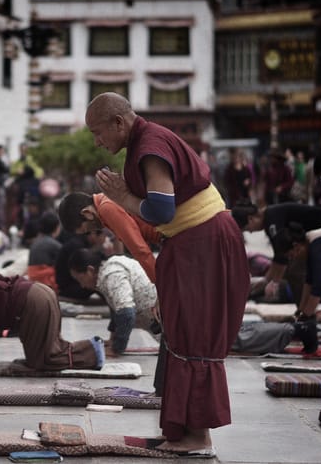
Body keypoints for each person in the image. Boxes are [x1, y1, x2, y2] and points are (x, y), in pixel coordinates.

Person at [85, 92, 249, 456]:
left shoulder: (150, 145)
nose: (97, 142)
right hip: (190, 243)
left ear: (118, 123)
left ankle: (197, 437)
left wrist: (123, 197)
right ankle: (182, 432)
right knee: (180, 332)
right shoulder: (144, 141)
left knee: (194, 334)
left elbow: (160, 209)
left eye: (98, 132)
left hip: (203, 243)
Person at [231, 201, 321, 303]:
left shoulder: (271, 221)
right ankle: (304, 312)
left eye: (247, 229)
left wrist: (273, 282)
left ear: (251, 219)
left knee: (296, 272)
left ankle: (306, 313)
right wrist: (267, 280)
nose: (250, 232)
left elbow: (282, 256)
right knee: (294, 270)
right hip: (317, 234)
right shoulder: (270, 220)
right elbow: (279, 256)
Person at [68, 249, 159, 357]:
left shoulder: (111, 274)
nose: (82, 286)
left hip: (164, 323)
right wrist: (112, 339)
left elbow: (127, 313)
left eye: (80, 279)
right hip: (157, 322)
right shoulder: (107, 270)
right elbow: (117, 308)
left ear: (90, 270)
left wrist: (116, 349)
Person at [58, 191, 159, 282]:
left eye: (88, 229)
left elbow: (139, 249)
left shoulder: (106, 208)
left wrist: (158, 280)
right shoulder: (105, 201)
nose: (93, 232)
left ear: (87, 213)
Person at [26, 211, 62, 292]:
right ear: (56, 228)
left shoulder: (35, 242)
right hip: (46, 283)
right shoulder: (55, 245)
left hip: (33, 281)